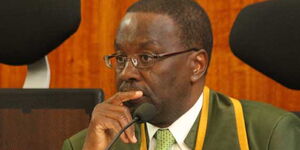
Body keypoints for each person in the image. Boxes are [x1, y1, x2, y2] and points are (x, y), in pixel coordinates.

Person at [62, 0, 300, 150]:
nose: (127, 73)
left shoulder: (267, 135)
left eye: (146, 58)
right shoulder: (90, 143)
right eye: (121, 58)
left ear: (197, 65)